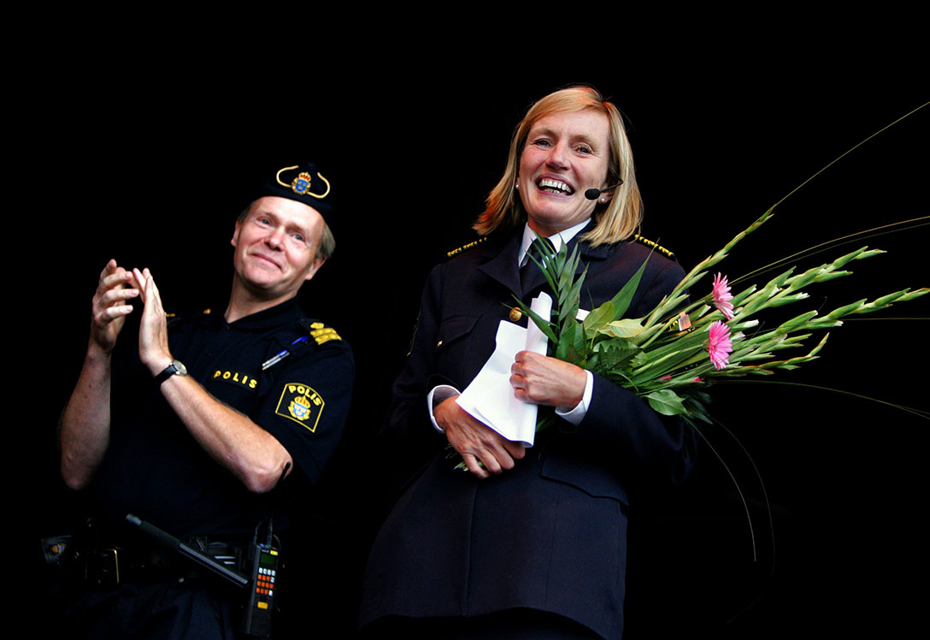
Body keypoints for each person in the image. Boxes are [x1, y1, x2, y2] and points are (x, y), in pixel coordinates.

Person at [360, 86, 696, 640]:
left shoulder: (652, 279)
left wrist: (583, 393)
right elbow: (394, 424)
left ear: (609, 185)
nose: (557, 157)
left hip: (552, 581)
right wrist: (441, 410)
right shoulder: (454, 276)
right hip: (418, 580)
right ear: (520, 166)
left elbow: (678, 452)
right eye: (543, 140)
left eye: (583, 149)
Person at [57, 162, 354, 639]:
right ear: (236, 232)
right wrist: (99, 350)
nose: (275, 240)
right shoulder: (173, 330)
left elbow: (263, 467)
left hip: (192, 609)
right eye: (264, 221)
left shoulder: (317, 355)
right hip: (94, 598)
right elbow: (75, 468)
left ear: (314, 265)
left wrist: (163, 365)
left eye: (298, 236)